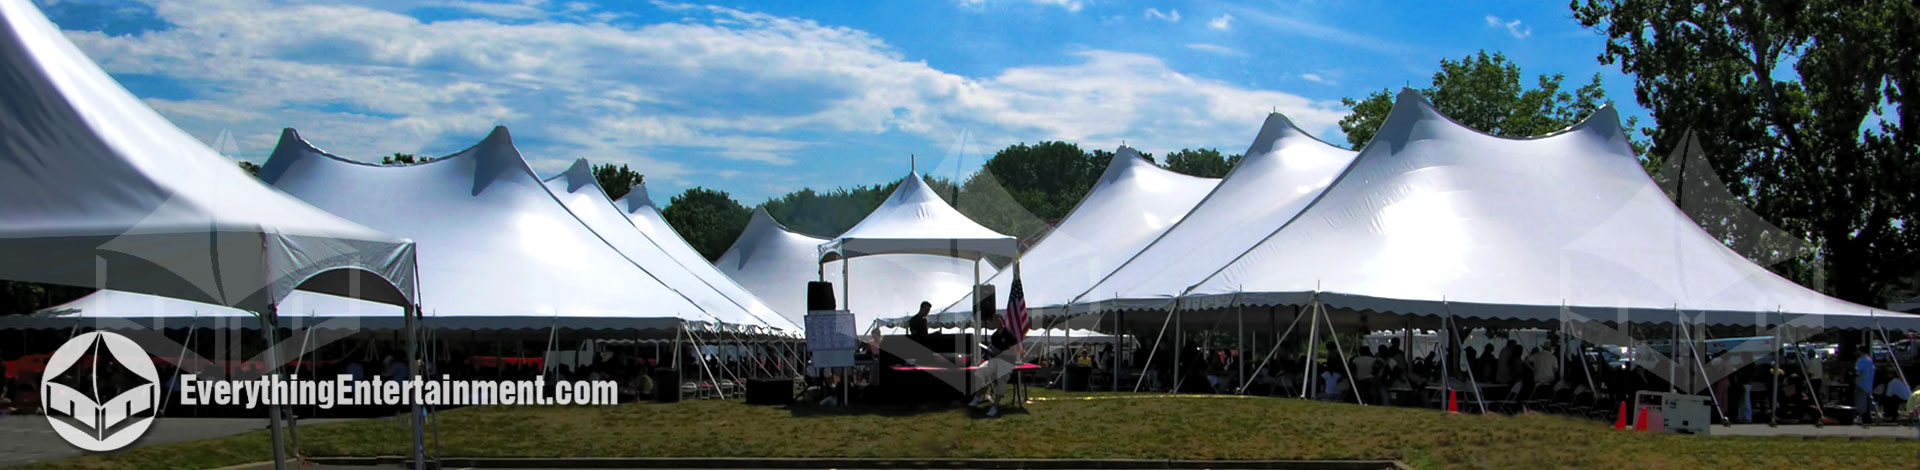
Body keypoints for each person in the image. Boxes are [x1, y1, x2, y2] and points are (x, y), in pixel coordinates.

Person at [1855, 344, 1876, 424]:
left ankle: (1863, 419)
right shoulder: (1869, 360)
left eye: (1857, 350)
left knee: (1861, 403)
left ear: (1860, 351)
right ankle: (1868, 419)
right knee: (1867, 403)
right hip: (1869, 384)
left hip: (1861, 384)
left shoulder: (1861, 360)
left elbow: (1857, 372)